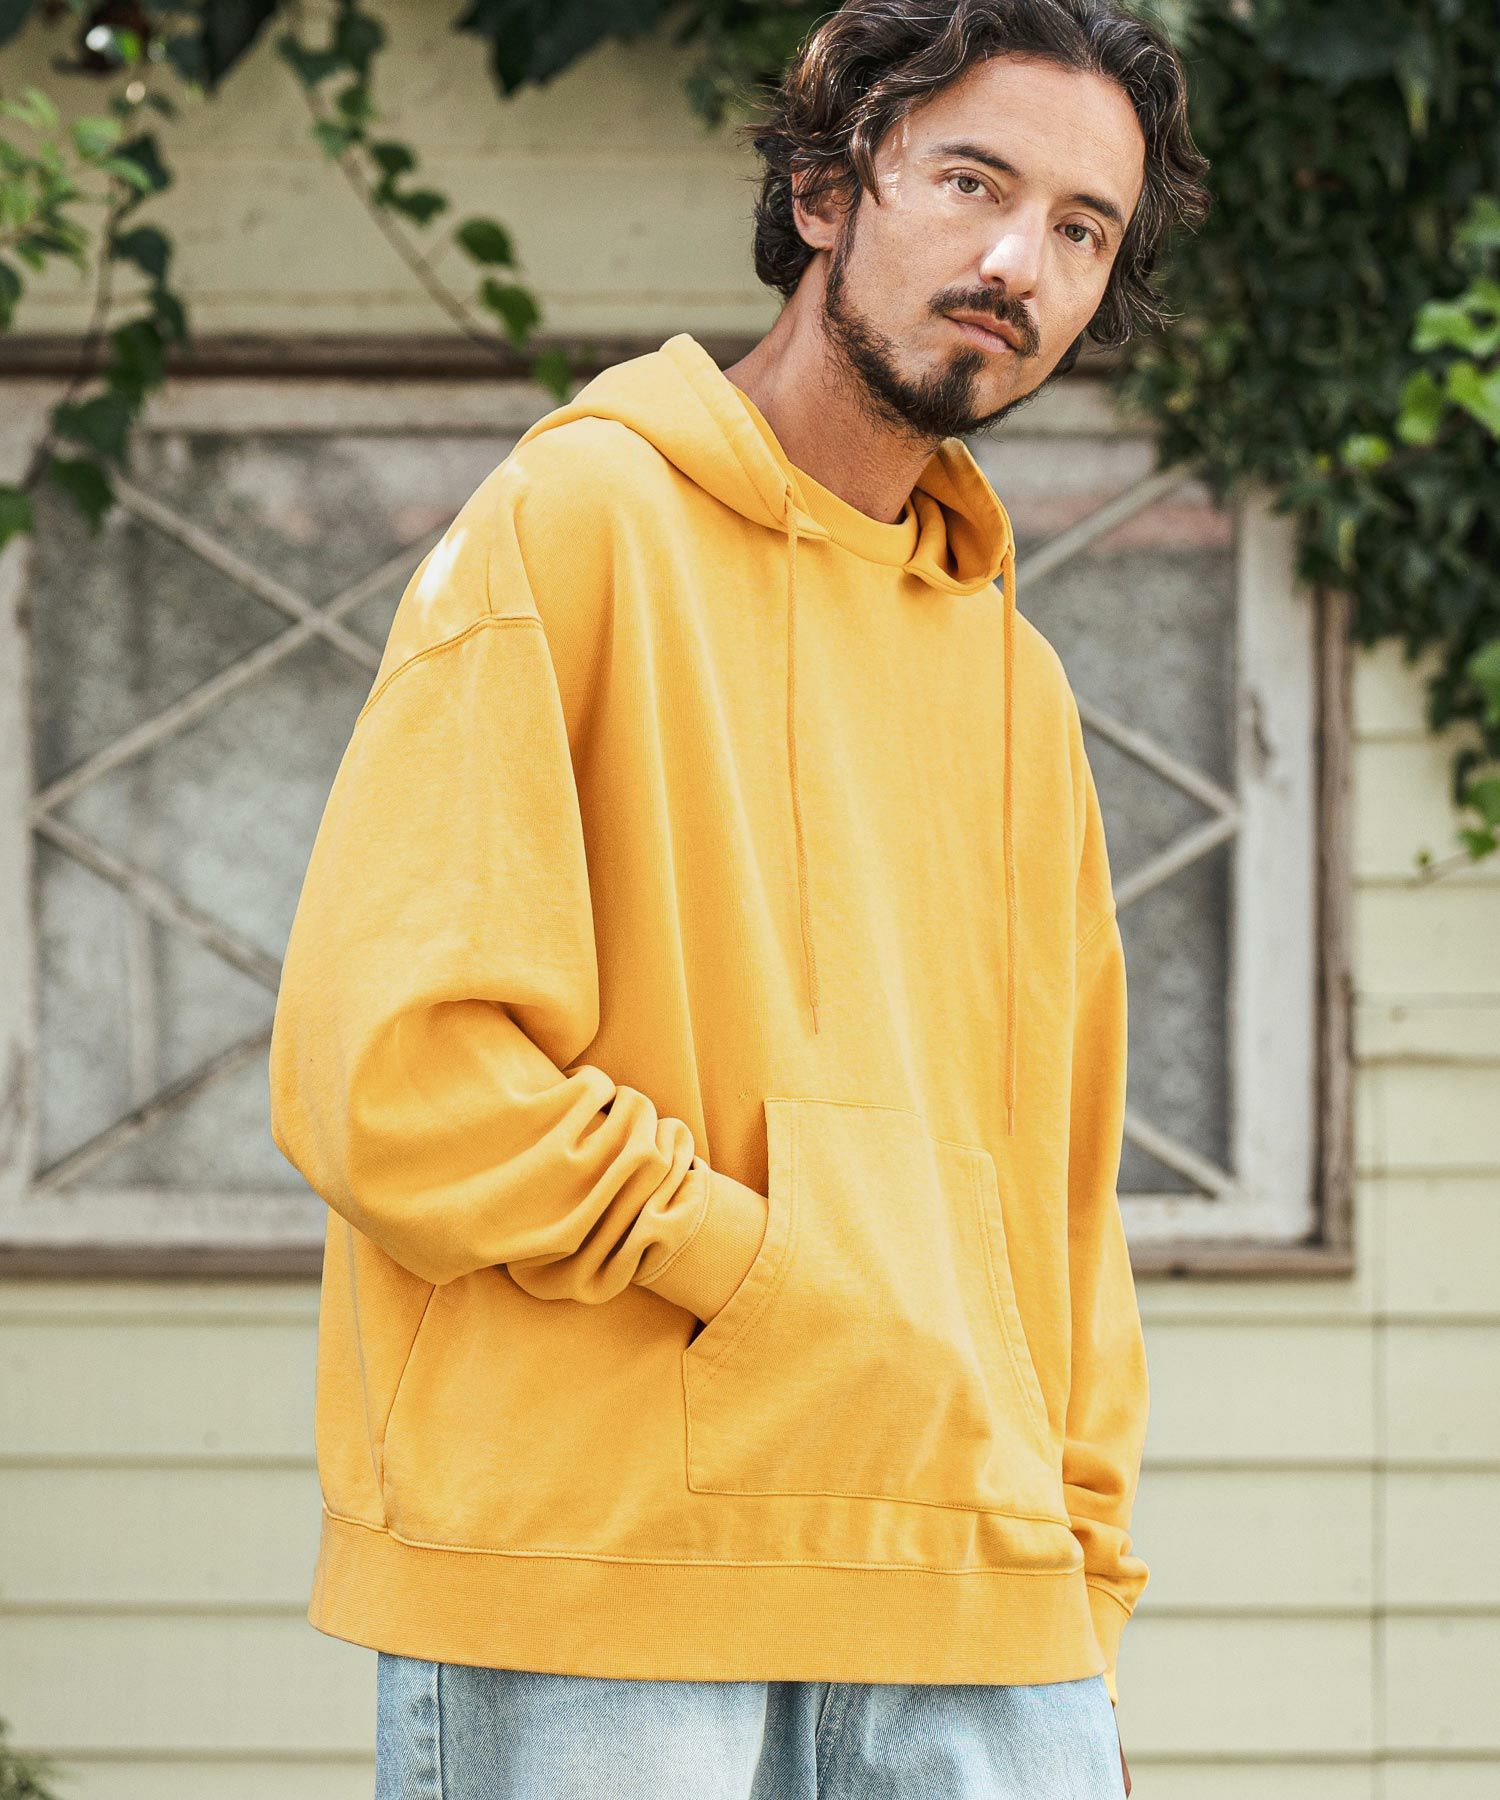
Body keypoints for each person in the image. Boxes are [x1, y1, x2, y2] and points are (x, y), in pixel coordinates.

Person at [268, 1, 1210, 1793]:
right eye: (973, 182)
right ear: (825, 192)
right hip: (600, 1579)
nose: (1021, 264)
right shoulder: (579, 523)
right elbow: (391, 1071)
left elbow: (1063, 1197)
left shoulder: (1018, 690)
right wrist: (764, 1271)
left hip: (977, 1588)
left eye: (1084, 230)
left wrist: (1080, 1557)